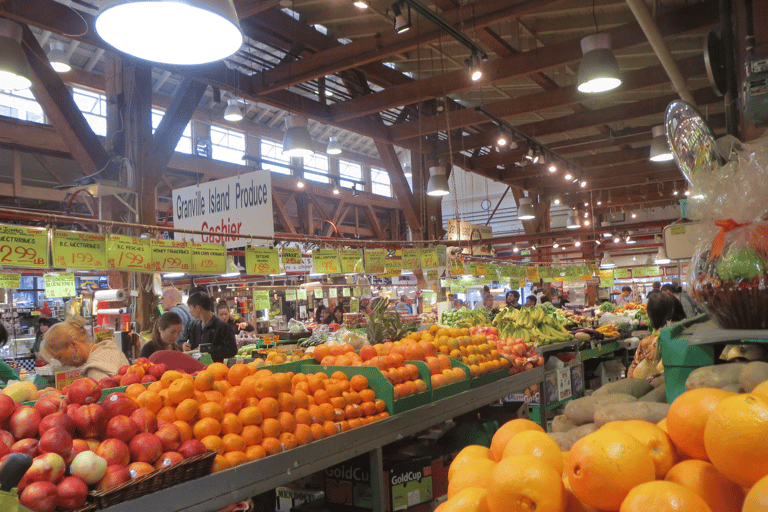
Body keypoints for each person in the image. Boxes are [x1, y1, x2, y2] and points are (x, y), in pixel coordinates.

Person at [41, 317, 129, 380]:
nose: (62, 363)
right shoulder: (109, 350)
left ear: (73, 345)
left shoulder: (95, 371)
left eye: (60, 357)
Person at [628, 292, 675, 378]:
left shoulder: (647, 342)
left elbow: (632, 373)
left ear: (650, 315)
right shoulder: (678, 335)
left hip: (650, 386)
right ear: (671, 311)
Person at [184, 292, 237, 363]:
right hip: (197, 369)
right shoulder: (193, 325)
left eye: (190, 308)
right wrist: (186, 346)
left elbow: (232, 350)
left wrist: (207, 350)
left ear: (198, 308)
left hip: (216, 370)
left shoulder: (222, 326)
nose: (190, 311)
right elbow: (191, 345)